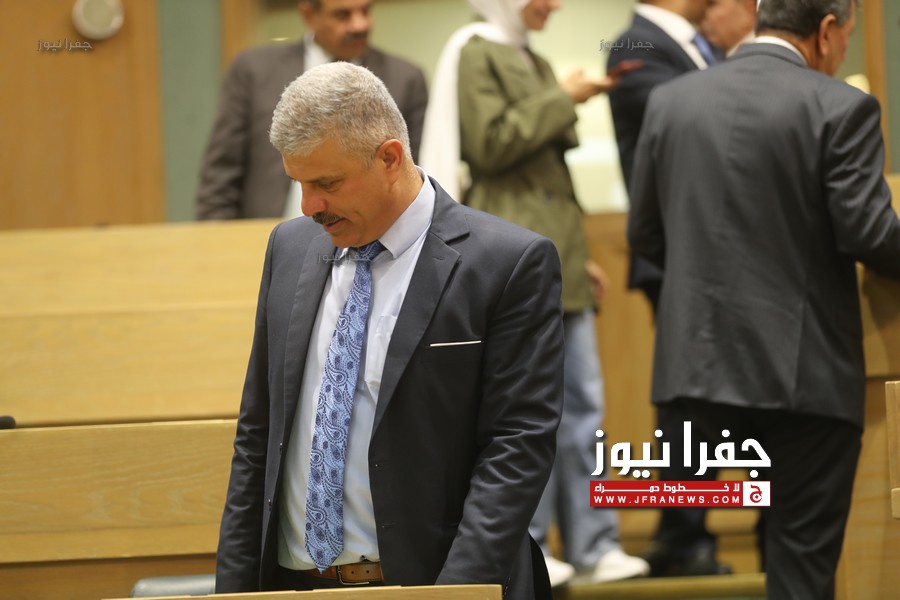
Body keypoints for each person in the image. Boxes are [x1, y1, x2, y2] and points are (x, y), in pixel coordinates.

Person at [215, 61, 566, 600]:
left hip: (431, 586)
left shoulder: (507, 263)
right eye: (300, 184)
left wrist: (453, 598)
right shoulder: (289, 248)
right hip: (292, 585)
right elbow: (257, 434)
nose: (310, 207)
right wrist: (234, 592)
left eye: (327, 183)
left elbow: (515, 449)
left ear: (390, 158)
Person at [627, 0, 900, 597]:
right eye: (846, 37)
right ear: (826, 31)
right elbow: (871, 234)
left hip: (694, 370)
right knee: (799, 571)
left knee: (690, 539)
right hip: (803, 376)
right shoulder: (841, 106)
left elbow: (644, 234)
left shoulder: (671, 101)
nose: (843, 51)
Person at [420, 0, 648, 587]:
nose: (553, 5)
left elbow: (550, 172)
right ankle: (533, 548)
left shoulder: (532, 57)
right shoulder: (474, 50)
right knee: (522, 412)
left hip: (557, 252)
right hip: (510, 251)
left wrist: (579, 254)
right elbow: (489, 144)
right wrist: (563, 97)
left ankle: (596, 543)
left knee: (585, 407)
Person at [606, 0, 731, 578]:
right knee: (689, 401)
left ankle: (688, 533)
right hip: (678, 252)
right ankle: (682, 538)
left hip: (716, 252)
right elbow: (693, 116)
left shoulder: (700, 45)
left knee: (709, 399)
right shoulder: (633, 44)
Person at [195, 0, 428, 220]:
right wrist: (216, 239)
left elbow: (412, 172)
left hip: (364, 235)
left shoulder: (404, 79)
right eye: (343, 14)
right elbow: (221, 173)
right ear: (308, 14)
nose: (360, 25)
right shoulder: (254, 71)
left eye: (366, 11)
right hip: (263, 233)